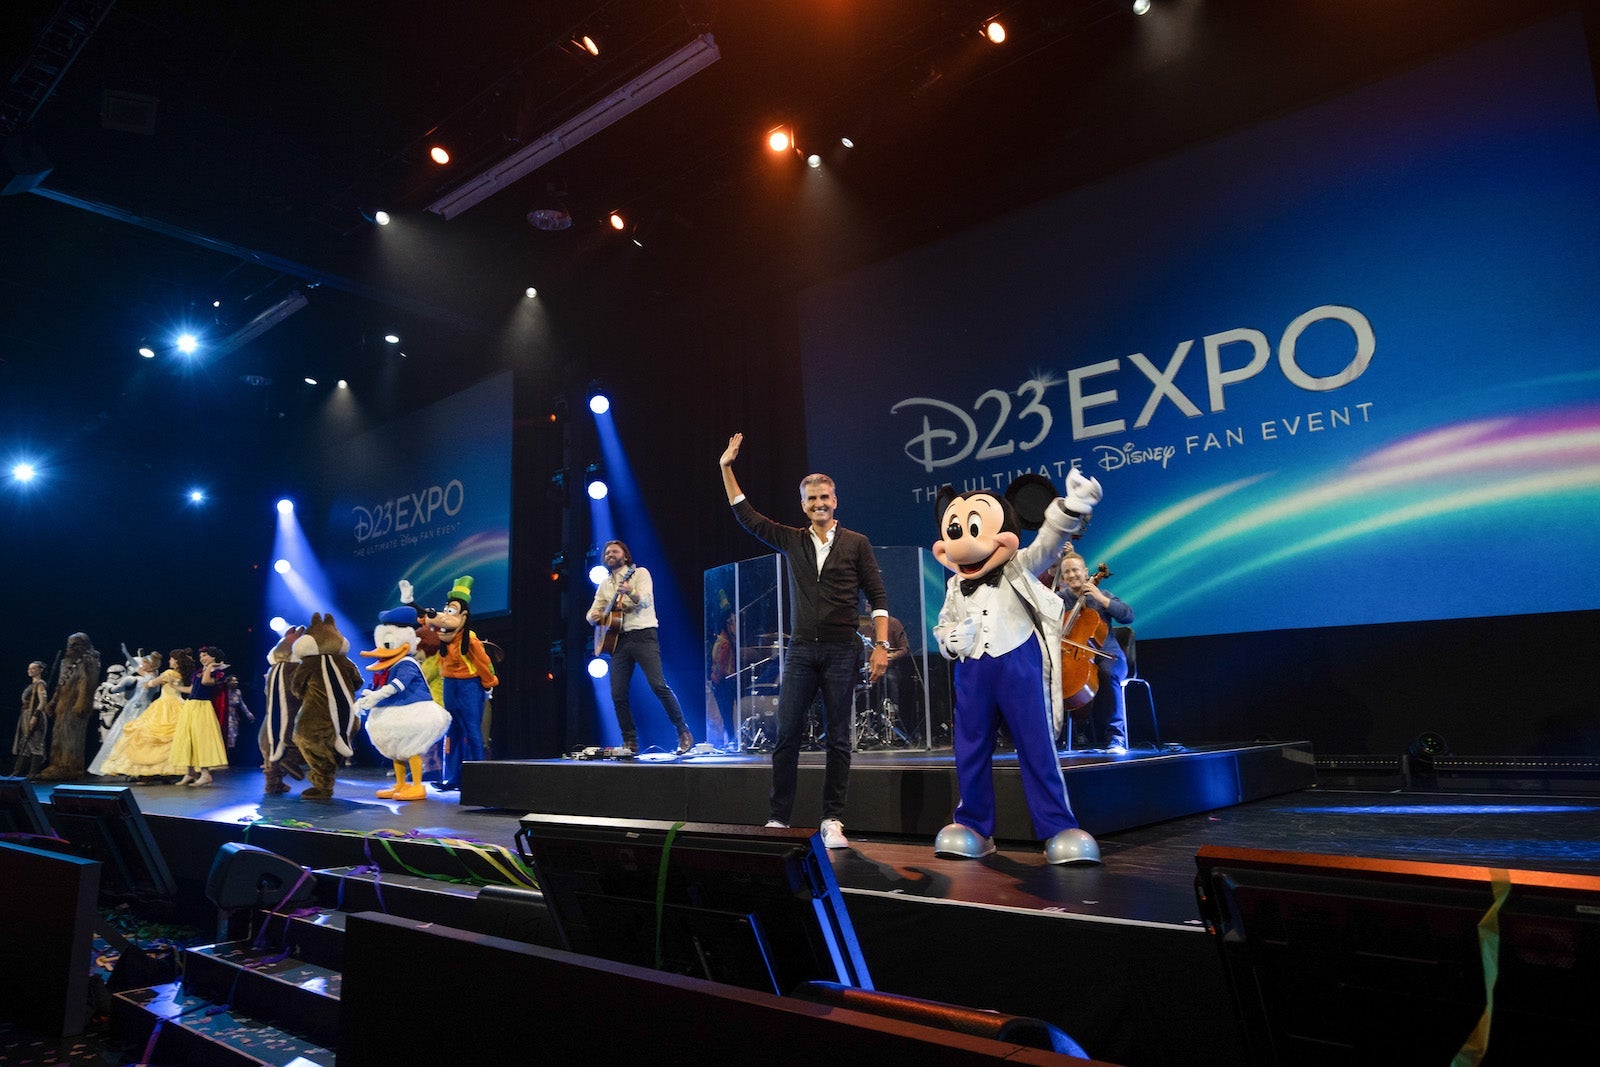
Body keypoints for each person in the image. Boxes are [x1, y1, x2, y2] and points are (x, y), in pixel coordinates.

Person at [719, 432, 889, 849]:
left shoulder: (856, 544)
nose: (819, 505)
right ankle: (778, 818)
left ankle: (832, 819)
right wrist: (726, 467)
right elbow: (747, 515)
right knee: (787, 733)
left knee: (838, 737)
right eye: (812, 499)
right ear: (803, 505)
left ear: (836, 501)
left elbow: (878, 596)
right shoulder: (791, 539)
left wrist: (882, 645)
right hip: (800, 651)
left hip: (841, 650)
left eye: (825, 498)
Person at [587, 539, 694, 756]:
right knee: (617, 693)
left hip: (643, 635)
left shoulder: (639, 574)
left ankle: (683, 732)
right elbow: (592, 612)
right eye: (607, 552)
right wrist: (595, 616)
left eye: (614, 551)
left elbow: (645, 600)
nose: (609, 554)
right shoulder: (605, 584)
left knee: (658, 685)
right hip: (618, 641)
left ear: (625, 556)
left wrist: (630, 592)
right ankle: (630, 742)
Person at [1056, 551, 1134, 753]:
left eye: (1076, 570)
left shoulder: (1102, 595)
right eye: (1067, 572)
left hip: (1109, 655)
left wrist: (1101, 599)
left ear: (1085, 572)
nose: (1072, 575)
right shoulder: (1059, 600)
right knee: (1045, 676)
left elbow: (1128, 616)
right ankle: (1049, 738)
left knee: (1107, 674)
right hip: (1073, 655)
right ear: (1063, 577)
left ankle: (1116, 737)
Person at [36, 632, 101, 781]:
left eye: (75, 644)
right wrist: (53, 701)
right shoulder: (66, 662)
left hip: (75, 706)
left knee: (72, 738)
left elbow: (88, 684)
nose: (71, 647)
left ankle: (70, 767)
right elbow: (61, 683)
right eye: (69, 644)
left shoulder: (89, 660)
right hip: (63, 705)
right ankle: (57, 765)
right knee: (59, 736)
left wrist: (82, 704)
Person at [171, 646, 230, 787]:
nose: (202, 658)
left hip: (203, 707)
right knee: (187, 738)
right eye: (201, 656)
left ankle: (205, 774)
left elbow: (205, 682)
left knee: (201, 739)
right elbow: (192, 689)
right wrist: (175, 687)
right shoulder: (199, 671)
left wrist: (210, 668)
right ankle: (190, 772)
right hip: (191, 705)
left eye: (206, 655)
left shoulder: (218, 672)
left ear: (214, 657)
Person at [11, 661, 49, 778]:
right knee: (25, 743)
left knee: (35, 743)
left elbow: (42, 702)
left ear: (40, 670)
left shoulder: (40, 684)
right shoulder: (31, 685)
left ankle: (33, 773)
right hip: (26, 714)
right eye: (29, 668)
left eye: (33, 668)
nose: (30, 670)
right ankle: (17, 771)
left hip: (34, 714)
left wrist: (34, 716)